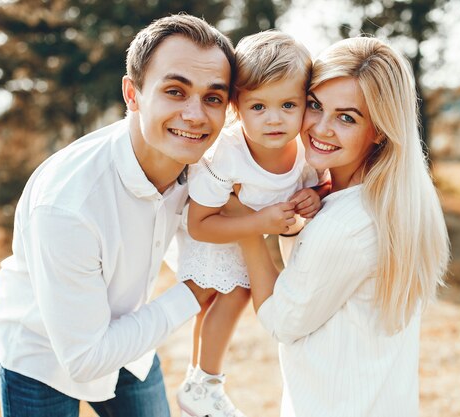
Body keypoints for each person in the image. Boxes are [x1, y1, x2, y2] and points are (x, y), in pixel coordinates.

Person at [0, 14, 235, 417]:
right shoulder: (68, 204)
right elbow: (83, 357)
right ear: (132, 94)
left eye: (213, 98)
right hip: (44, 358)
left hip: (130, 343)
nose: (195, 115)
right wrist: (192, 293)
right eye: (175, 91)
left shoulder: (206, 168)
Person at [237, 36, 451, 417]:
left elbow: (281, 320)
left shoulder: (348, 224)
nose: (321, 128)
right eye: (315, 106)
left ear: (380, 129)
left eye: (347, 117)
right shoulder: (391, 199)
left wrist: (246, 225)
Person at [174, 31, 327, 417]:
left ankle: (198, 382)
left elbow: (308, 196)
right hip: (215, 232)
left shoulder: (306, 153)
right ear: (236, 108)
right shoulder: (225, 156)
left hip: (246, 233)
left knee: (213, 303)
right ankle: (206, 382)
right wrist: (258, 220)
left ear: (306, 104)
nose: (274, 119)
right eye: (258, 107)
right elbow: (199, 225)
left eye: (288, 105)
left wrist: (316, 197)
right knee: (228, 297)